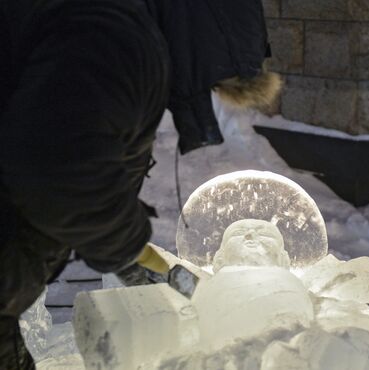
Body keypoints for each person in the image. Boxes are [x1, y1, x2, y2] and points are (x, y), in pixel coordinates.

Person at [0, 0, 281, 368]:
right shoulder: (116, 36)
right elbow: (62, 165)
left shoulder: (100, 22)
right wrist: (129, 249)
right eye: (216, 83)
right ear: (214, 43)